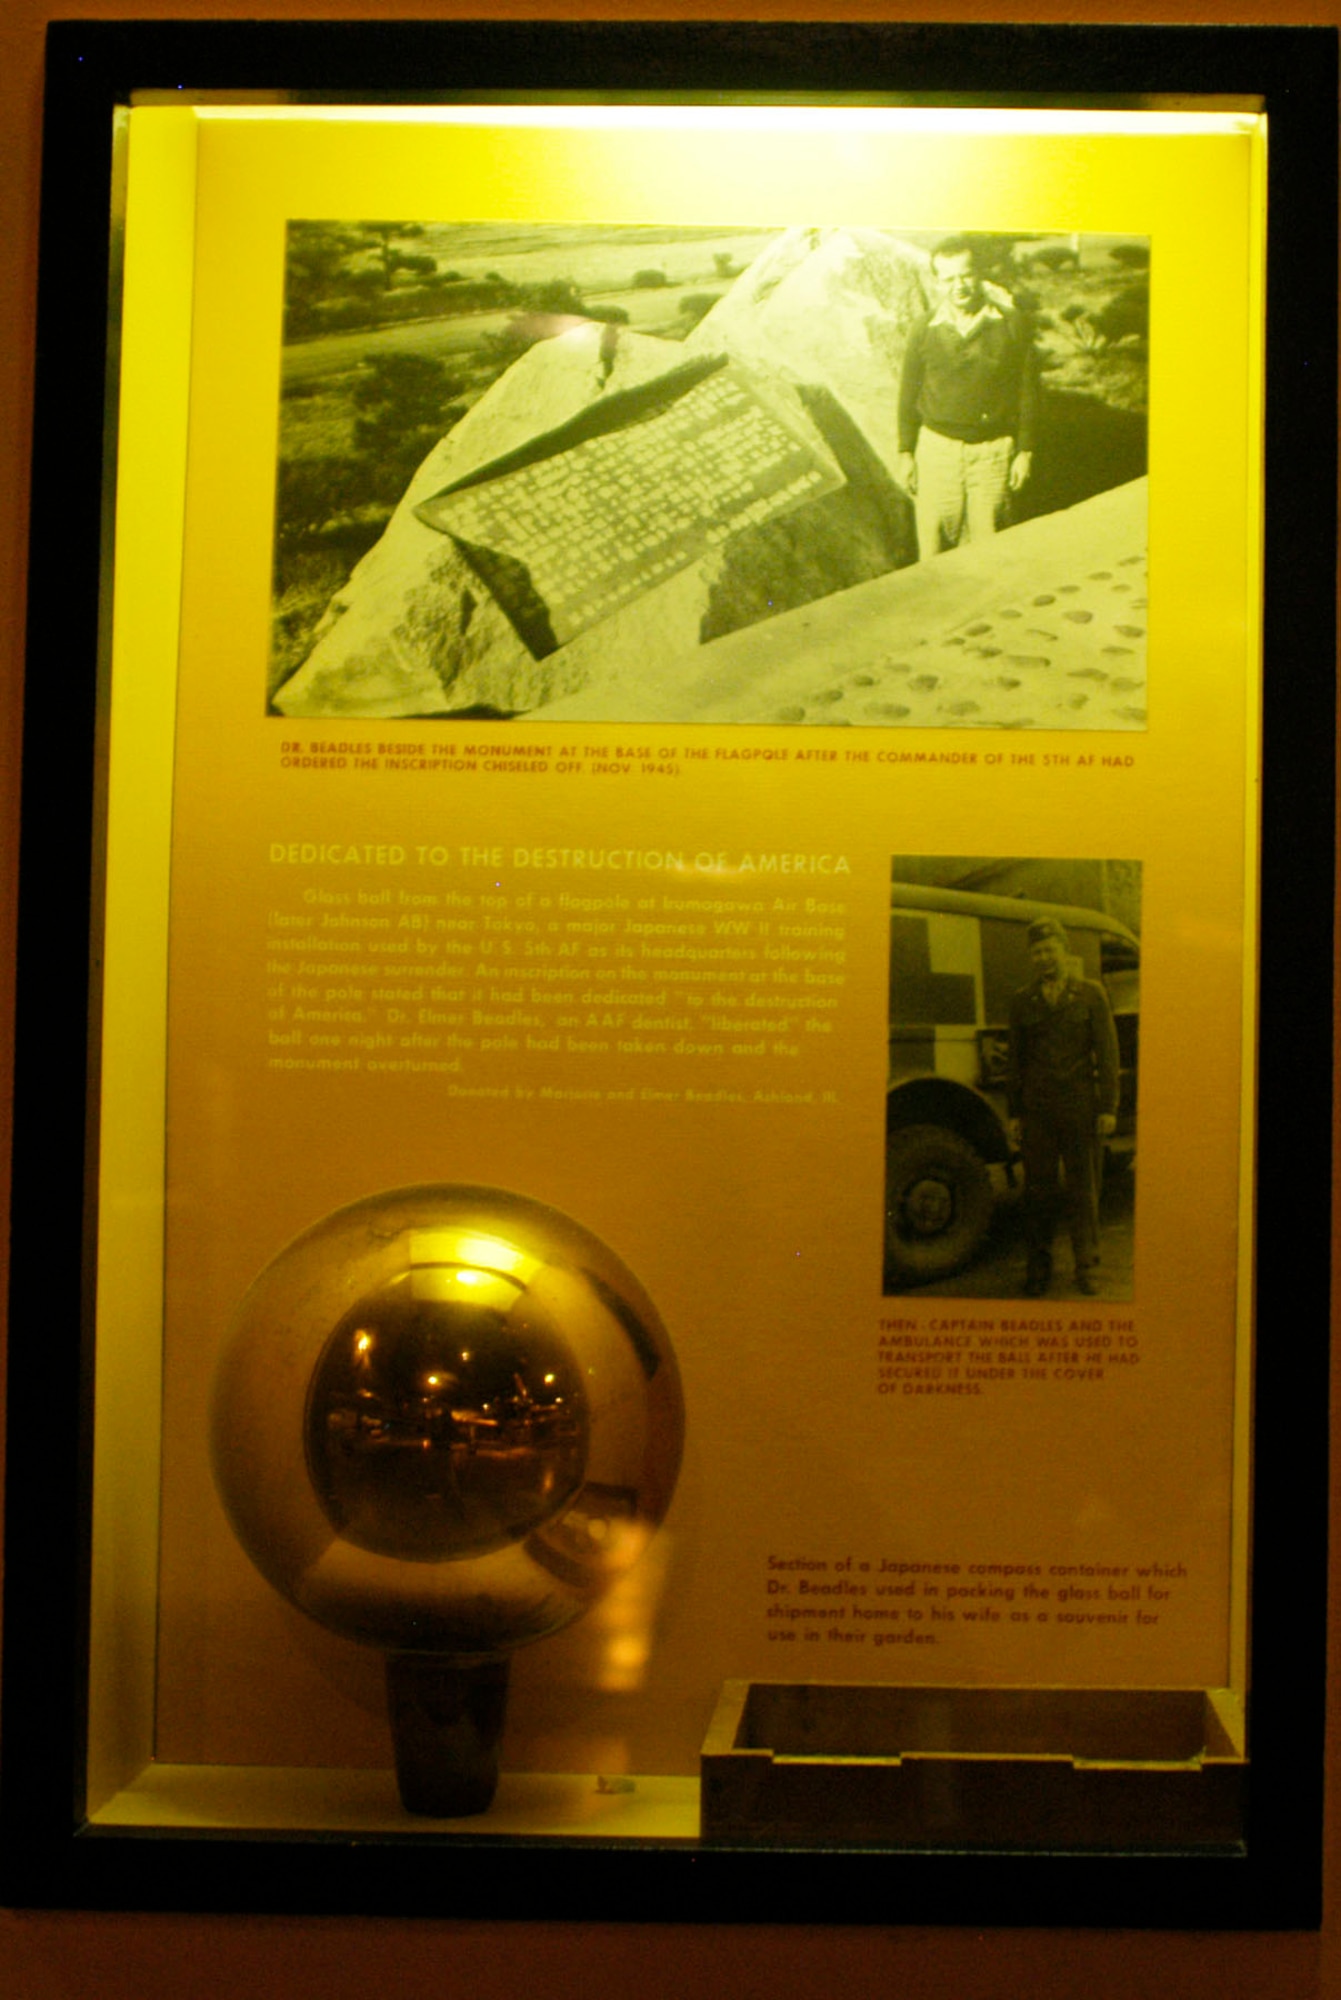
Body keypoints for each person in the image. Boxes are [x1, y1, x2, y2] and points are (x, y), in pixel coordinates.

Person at [896, 236, 1038, 559]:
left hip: (992, 454)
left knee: (990, 554)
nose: (958, 286)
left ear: (979, 275)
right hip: (936, 451)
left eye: (966, 275)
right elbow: (908, 394)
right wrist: (906, 451)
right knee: (933, 554)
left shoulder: (1011, 324)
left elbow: (1028, 392)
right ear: (937, 282)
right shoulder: (924, 328)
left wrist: (1025, 451)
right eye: (948, 279)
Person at [1005, 917, 1120, 1299]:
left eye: (1048, 949)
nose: (1042, 957)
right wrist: (1015, 1113)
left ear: (1063, 951)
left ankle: (1087, 1267)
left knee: (1083, 1192)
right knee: (1037, 1193)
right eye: (1036, 952)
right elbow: (1016, 1063)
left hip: (1080, 1109)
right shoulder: (1022, 1001)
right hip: (1037, 1112)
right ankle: (1039, 1270)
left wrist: (1108, 1107)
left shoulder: (1090, 994)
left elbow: (1107, 1054)